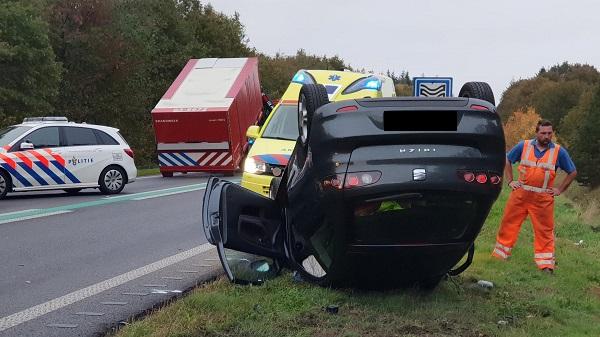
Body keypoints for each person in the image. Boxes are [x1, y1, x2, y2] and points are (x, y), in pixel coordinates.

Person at [492, 119, 577, 273]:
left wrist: (559, 190)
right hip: (520, 195)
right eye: (543, 133)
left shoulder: (559, 151)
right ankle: (500, 256)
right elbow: (507, 159)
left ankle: (546, 265)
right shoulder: (523, 146)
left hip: (543, 200)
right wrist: (510, 181)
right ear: (536, 133)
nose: (546, 136)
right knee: (509, 224)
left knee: (545, 231)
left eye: (549, 133)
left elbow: (572, 172)